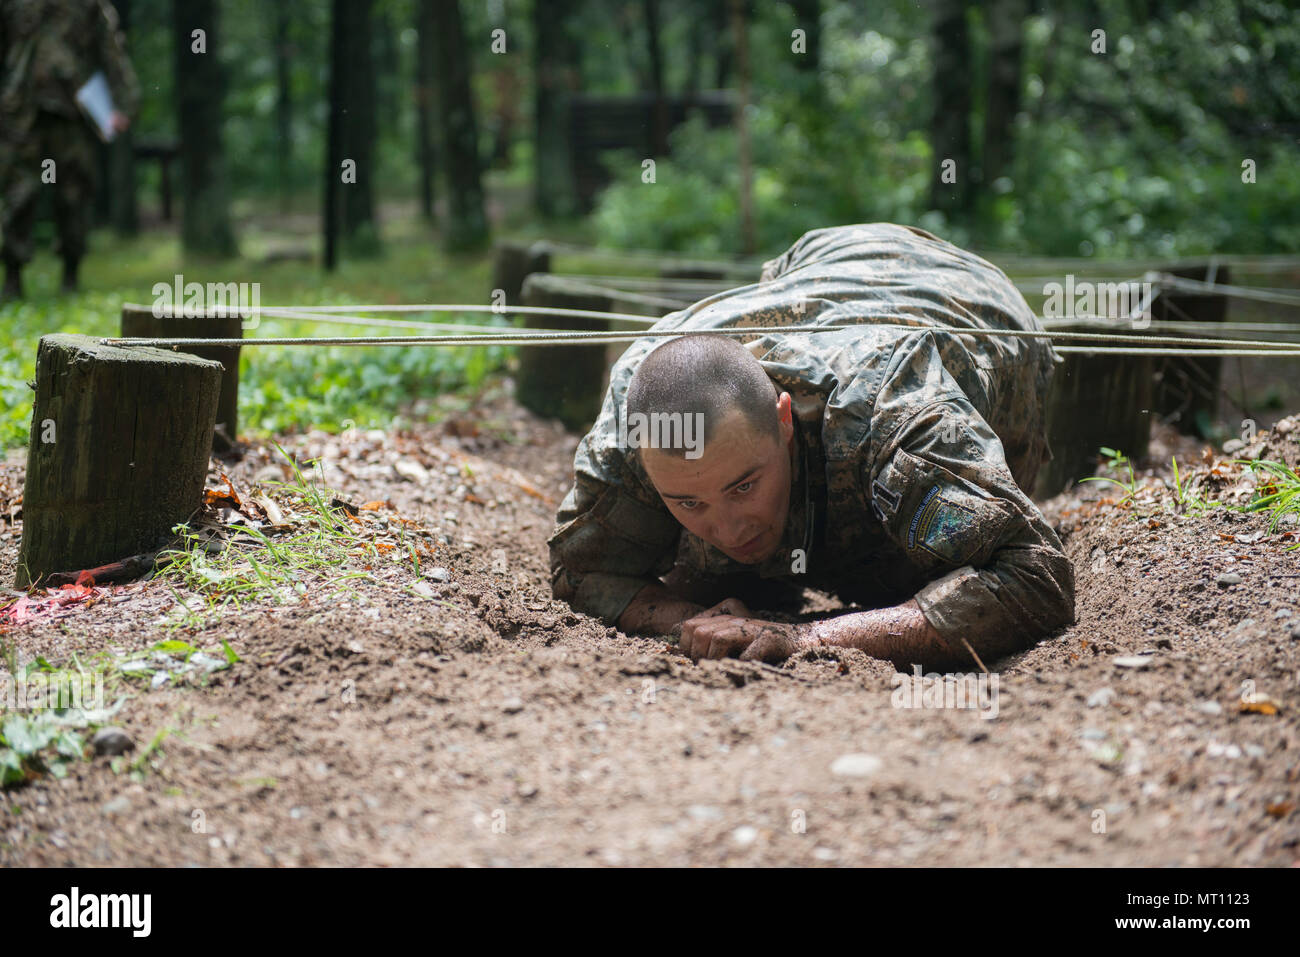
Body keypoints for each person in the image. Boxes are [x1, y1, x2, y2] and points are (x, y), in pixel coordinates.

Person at [548, 223, 1075, 670]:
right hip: (813, 268)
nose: (729, 528)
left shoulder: (893, 412)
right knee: (715, 568)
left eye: (744, 485)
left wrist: (804, 640)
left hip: (976, 305)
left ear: (783, 420)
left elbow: (1034, 579)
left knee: (923, 566)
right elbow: (580, 569)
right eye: (689, 502)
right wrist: (690, 620)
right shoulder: (635, 427)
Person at [0, 0, 140, 300]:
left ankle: (71, 275)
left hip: (74, 110)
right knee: (17, 192)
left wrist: (124, 102)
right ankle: (12, 277)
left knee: (74, 193)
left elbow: (110, 49)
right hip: (21, 110)